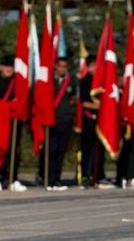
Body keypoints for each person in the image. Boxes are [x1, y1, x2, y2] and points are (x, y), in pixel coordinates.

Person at [0, 56, 27, 192]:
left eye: (11, 66)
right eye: (6, 66)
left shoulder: (17, 82)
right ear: (0, 68)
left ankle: (13, 178)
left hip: (15, 120)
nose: (9, 69)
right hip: (1, 121)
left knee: (14, 150)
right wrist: (8, 105)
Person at [45, 56, 77, 191]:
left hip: (66, 119)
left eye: (65, 66)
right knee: (50, 150)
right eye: (60, 66)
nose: (62, 69)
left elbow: (73, 98)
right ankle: (48, 178)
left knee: (61, 151)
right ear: (55, 67)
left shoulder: (71, 81)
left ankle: (57, 179)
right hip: (52, 119)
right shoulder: (49, 81)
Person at [79, 56, 105, 188]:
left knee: (100, 149)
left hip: (101, 120)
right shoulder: (85, 81)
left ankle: (99, 175)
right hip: (89, 119)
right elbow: (83, 102)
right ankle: (86, 175)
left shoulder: (102, 81)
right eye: (92, 66)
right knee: (87, 148)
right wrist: (98, 106)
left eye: (97, 65)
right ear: (88, 67)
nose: (94, 69)